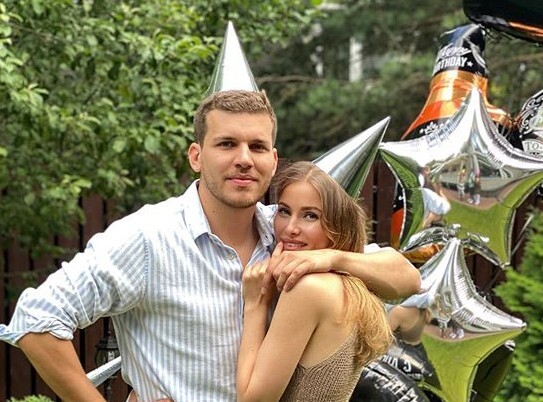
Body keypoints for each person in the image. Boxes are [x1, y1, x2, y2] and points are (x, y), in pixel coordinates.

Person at [0, 90, 420, 402]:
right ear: (196, 156)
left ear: (273, 160)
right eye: (227, 144)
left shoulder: (287, 234)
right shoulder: (148, 237)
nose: (244, 159)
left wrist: (334, 256)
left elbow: (406, 278)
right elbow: (36, 318)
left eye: (257, 147)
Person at [236, 161, 394, 401]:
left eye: (310, 216)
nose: (290, 228)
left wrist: (255, 303)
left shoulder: (308, 289)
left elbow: (253, 400)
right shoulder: (351, 280)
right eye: (284, 211)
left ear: (338, 225)